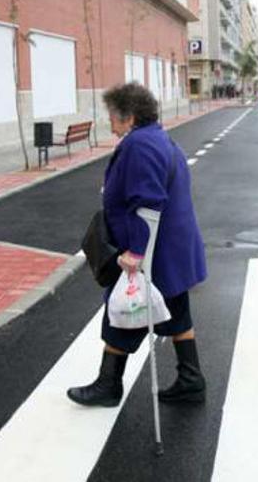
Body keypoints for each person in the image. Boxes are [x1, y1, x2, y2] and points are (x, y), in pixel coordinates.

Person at [68, 82, 208, 407]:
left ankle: (108, 385)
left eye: (113, 117)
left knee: (124, 311)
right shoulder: (158, 137)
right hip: (173, 248)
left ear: (129, 117)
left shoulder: (139, 146)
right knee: (175, 311)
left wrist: (135, 252)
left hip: (155, 252)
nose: (110, 123)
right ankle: (191, 379)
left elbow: (148, 202)